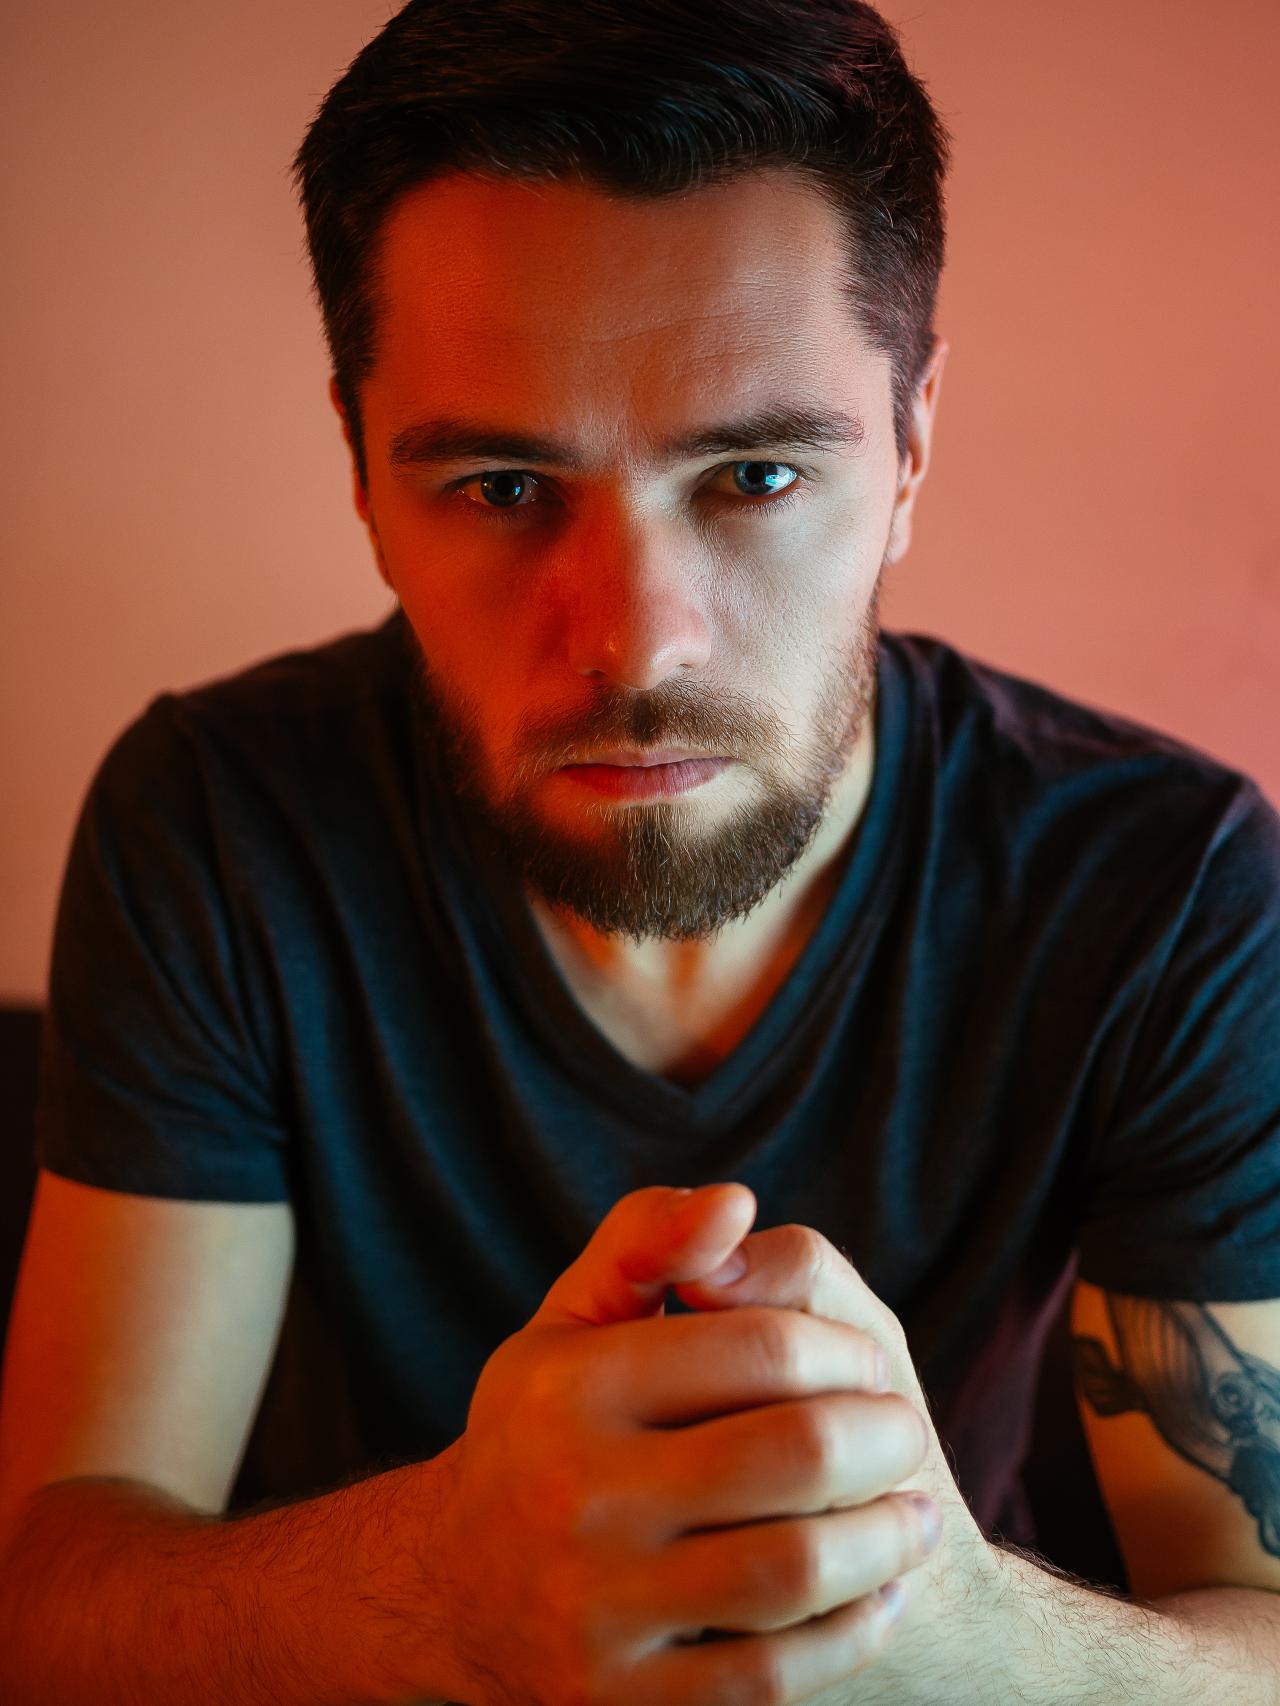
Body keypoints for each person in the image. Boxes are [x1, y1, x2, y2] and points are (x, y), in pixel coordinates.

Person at [2, 1, 1279, 1701]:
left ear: (909, 448)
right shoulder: (221, 824)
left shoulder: (1167, 886)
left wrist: (956, 1616)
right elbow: (50, 1600)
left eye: (753, 474)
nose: (635, 641)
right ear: (363, 472)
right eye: (502, 486)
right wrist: (441, 1583)